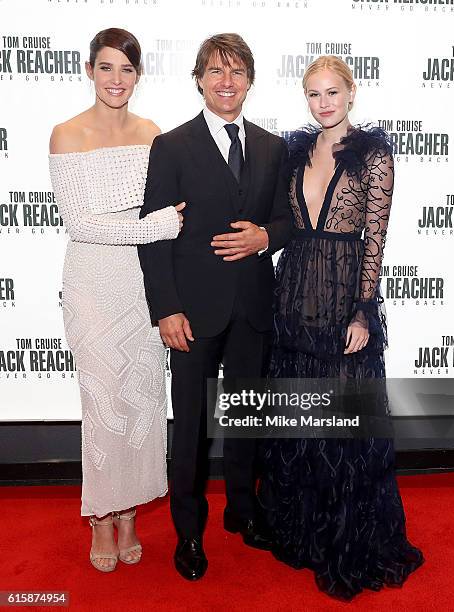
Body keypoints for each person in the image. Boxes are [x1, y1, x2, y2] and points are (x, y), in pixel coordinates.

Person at [258, 55, 424, 600]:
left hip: (341, 307)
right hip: (294, 298)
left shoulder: (373, 155)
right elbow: (286, 227)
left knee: (344, 431)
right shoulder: (296, 151)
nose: (323, 103)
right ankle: (304, 534)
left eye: (332, 92)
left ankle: (346, 542)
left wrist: (363, 311)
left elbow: (374, 239)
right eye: (313, 94)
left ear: (351, 93)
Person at [138, 33, 292, 581]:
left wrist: (263, 239)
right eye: (216, 71)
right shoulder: (172, 146)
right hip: (192, 315)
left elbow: (286, 219)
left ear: (250, 80)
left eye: (238, 72)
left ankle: (243, 514)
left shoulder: (274, 147)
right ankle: (188, 533)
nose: (227, 82)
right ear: (199, 79)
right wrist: (166, 309)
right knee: (192, 431)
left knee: (247, 420)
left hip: (253, 308)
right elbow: (153, 235)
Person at [49, 28, 184, 573]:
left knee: (145, 403)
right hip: (93, 285)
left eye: (127, 70)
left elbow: (169, 210)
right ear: (89, 70)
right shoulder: (66, 134)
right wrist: (155, 226)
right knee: (102, 406)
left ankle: (129, 513)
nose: (116, 80)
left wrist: (160, 224)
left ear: (138, 76)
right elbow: (81, 225)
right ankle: (101, 519)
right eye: (106, 68)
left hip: (142, 285)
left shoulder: (153, 134)